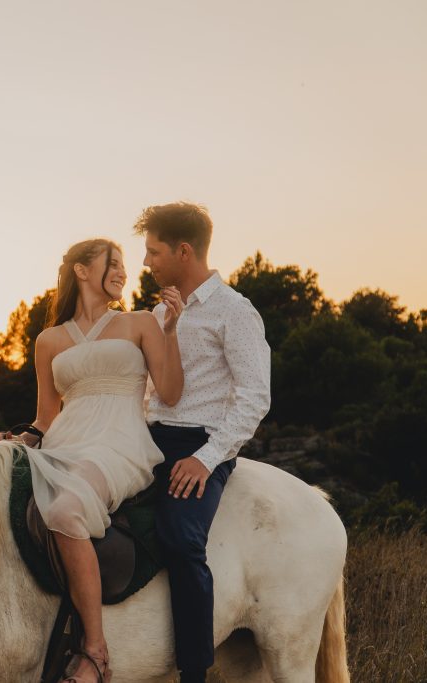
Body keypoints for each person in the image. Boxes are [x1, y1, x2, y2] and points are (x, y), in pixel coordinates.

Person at [5, 238, 184, 683]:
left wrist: (172, 330)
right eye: (115, 263)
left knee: (65, 510)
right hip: (65, 443)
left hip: (119, 442)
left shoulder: (141, 323)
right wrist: (23, 439)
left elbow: (171, 392)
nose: (124, 272)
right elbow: (47, 417)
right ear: (83, 271)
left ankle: (95, 650)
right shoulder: (48, 340)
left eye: (125, 265)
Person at [135, 202, 271, 683]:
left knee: (180, 536)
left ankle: (193, 672)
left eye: (153, 252)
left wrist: (207, 460)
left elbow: (255, 396)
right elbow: (151, 394)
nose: (146, 263)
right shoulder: (157, 312)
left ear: (183, 251)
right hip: (148, 440)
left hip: (201, 443)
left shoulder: (235, 311)